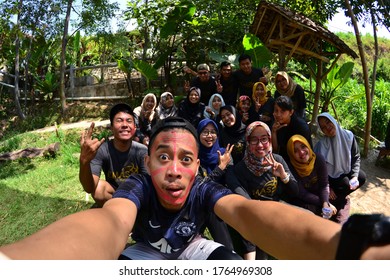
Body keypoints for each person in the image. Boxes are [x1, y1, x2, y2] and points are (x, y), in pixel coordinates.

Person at [226, 121, 299, 260]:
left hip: (279, 210)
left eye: (264, 139)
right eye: (254, 140)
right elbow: (247, 205)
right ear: (247, 141)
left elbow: (295, 191)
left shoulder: (278, 160)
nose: (260, 145)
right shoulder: (240, 169)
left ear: (270, 139)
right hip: (256, 217)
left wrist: (283, 176)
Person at [79, 103, 148, 207]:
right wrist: (84, 161)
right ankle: (118, 212)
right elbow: (89, 188)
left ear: (134, 127)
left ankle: (126, 210)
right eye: (119, 120)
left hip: (136, 193)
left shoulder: (142, 151)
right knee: (98, 190)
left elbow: (147, 185)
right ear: (111, 127)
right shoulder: (102, 150)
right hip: (114, 193)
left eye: (129, 121)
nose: (125, 125)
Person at [314, 112, 367, 224]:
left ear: (333, 120)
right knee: (344, 183)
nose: (327, 127)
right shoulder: (321, 145)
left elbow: (356, 157)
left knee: (361, 176)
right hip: (329, 178)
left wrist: (354, 176)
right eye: (323, 127)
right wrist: (327, 187)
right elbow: (317, 170)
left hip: (345, 172)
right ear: (322, 131)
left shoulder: (348, 136)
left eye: (328, 122)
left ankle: (337, 201)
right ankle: (337, 202)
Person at [197, 118, 235, 251]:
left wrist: (226, 165)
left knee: (227, 248)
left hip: (219, 203)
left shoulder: (225, 153)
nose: (209, 136)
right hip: (198, 204)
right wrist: (220, 167)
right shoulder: (194, 156)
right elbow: (200, 186)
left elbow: (231, 181)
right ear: (198, 134)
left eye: (213, 132)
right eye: (205, 132)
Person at [286, 134, 336, 218]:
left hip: (318, 194)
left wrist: (325, 203)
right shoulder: (290, 168)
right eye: (295, 151)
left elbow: (324, 184)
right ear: (291, 154)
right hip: (302, 199)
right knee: (313, 211)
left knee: (334, 205)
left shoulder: (318, 159)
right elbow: (302, 194)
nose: (301, 152)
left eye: (303, 146)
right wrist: (325, 203)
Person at [272, 95, 312, 163]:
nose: (278, 114)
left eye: (282, 111)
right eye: (276, 110)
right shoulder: (277, 124)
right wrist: (273, 132)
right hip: (285, 160)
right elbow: (275, 150)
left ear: (291, 112)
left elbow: (305, 153)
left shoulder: (301, 127)